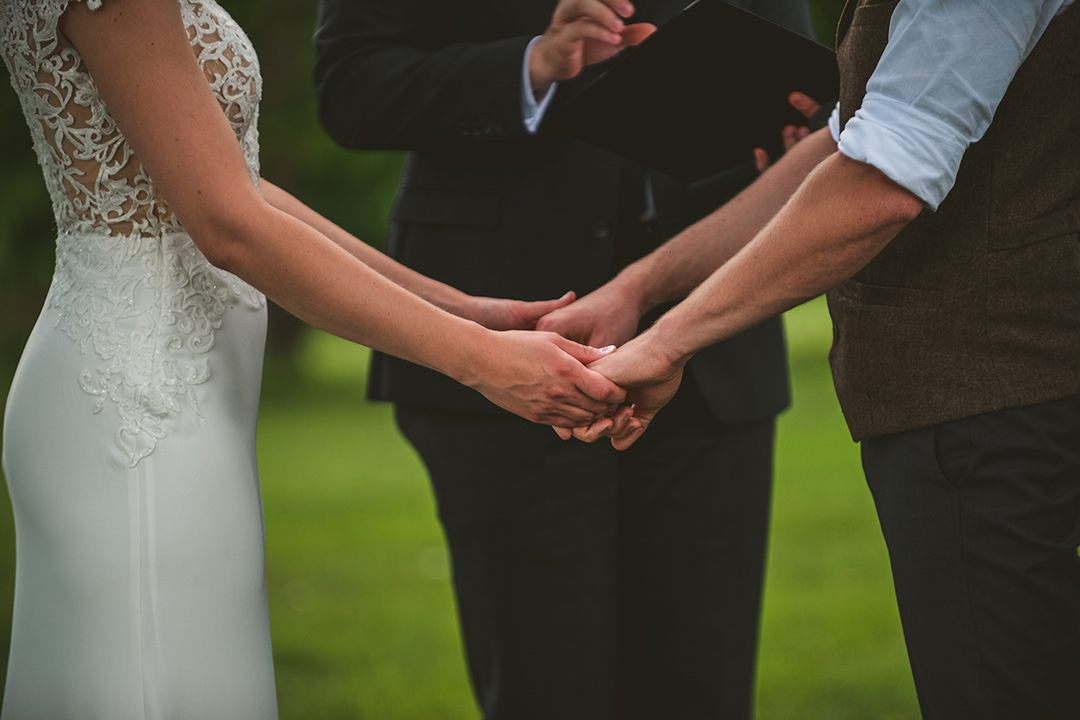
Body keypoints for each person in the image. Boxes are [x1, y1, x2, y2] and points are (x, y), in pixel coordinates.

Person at [0, 0, 627, 717]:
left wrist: (458, 307)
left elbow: (236, 185)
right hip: (136, 409)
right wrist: (482, 360)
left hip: (185, 403)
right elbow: (230, 224)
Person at [570, 1, 1080, 718]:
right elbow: (843, 153)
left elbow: (879, 184)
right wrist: (638, 288)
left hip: (991, 400)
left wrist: (666, 341)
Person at [312, 1, 814, 718]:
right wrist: (532, 65)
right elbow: (350, 88)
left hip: (714, 350)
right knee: (546, 684)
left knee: (703, 683)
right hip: (506, 332)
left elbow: (803, 84)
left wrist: (797, 132)